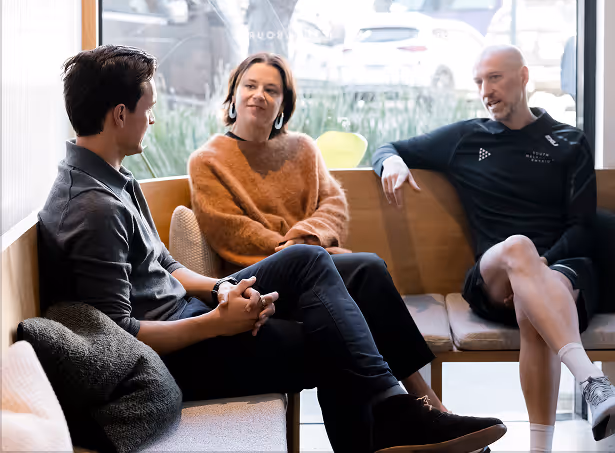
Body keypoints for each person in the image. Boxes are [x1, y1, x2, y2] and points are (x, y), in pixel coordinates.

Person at [38, 45, 506, 453]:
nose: (153, 119)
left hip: (192, 313)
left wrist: (220, 290)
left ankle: (406, 410)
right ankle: (397, 416)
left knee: (344, 266)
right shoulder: (93, 209)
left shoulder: (115, 180)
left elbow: (165, 262)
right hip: (179, 353)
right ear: (120, 115)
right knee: (336, 337)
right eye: (148, 108)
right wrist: (216, 323)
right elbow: (121, 336)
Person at [372, 45, 615, 453]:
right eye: (479, 82)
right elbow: (388, 147)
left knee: (534, 305)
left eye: (494, 78)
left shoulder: (569, 141)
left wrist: (538, 267)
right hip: (494, 276)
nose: (485, 91)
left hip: (562, 272)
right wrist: (390, 163)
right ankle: (592, 380)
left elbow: (583, 227)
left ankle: (539, 450)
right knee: (518, 247)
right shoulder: (466, 138)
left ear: (524, 77)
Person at [189, 52, 468, 425]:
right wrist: (294, 254)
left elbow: (334, 205)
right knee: (366, 270)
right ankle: (425, 404)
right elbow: (230, 231)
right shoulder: (207, 160)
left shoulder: (303, 148)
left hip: (317, 269)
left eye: (271, 90)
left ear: (284, 104)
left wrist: (302, 240)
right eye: (250, 86)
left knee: (351, 297)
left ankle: (408, 416)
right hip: (258, 282)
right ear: (233, 95)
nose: (259, 95)